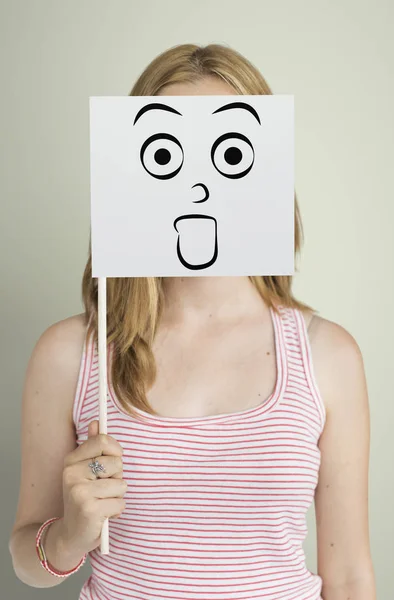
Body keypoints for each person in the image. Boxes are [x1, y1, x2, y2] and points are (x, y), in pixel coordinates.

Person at [9, 43, 375, 600]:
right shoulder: (69, 354)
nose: (198, 187)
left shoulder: (328, 356)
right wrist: (69, 537)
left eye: (229, 155)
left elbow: (348, 574)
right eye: (167, 156)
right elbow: (27, 562)